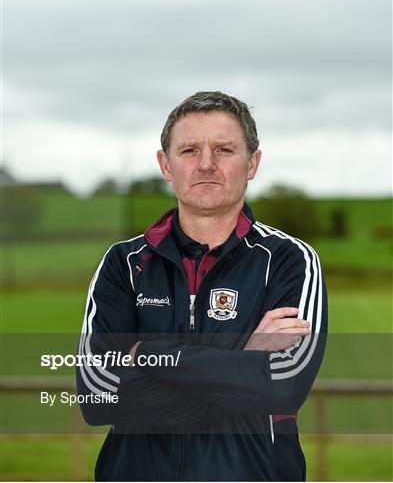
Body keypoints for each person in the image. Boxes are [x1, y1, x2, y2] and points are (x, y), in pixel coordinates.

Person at [76, 91, 327, 481]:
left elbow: (282, 386)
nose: (206, 164)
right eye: (190, 150)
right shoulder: (122, 264)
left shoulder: (289, 260)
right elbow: (97, 396)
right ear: (165, 164)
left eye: (224, 149)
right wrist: (243, 355)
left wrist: (147, 353)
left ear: (252, 163)